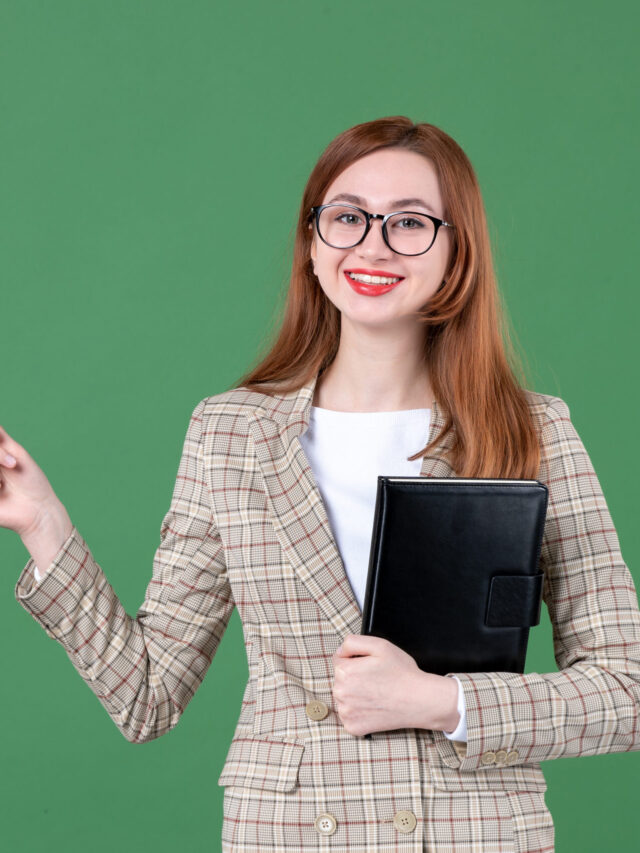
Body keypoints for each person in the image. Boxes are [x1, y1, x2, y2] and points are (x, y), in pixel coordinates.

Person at [2, 116, 639, 852]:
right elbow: (147, 695)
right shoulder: (230, 434)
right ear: (311, 243)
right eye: (346, 217)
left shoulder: (531, 432)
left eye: (409, 222)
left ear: (457, 251)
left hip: (473, 832)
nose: (372, 244)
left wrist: (439, 700)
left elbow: (624, 690)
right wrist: (42, 523)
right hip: (291, 833)